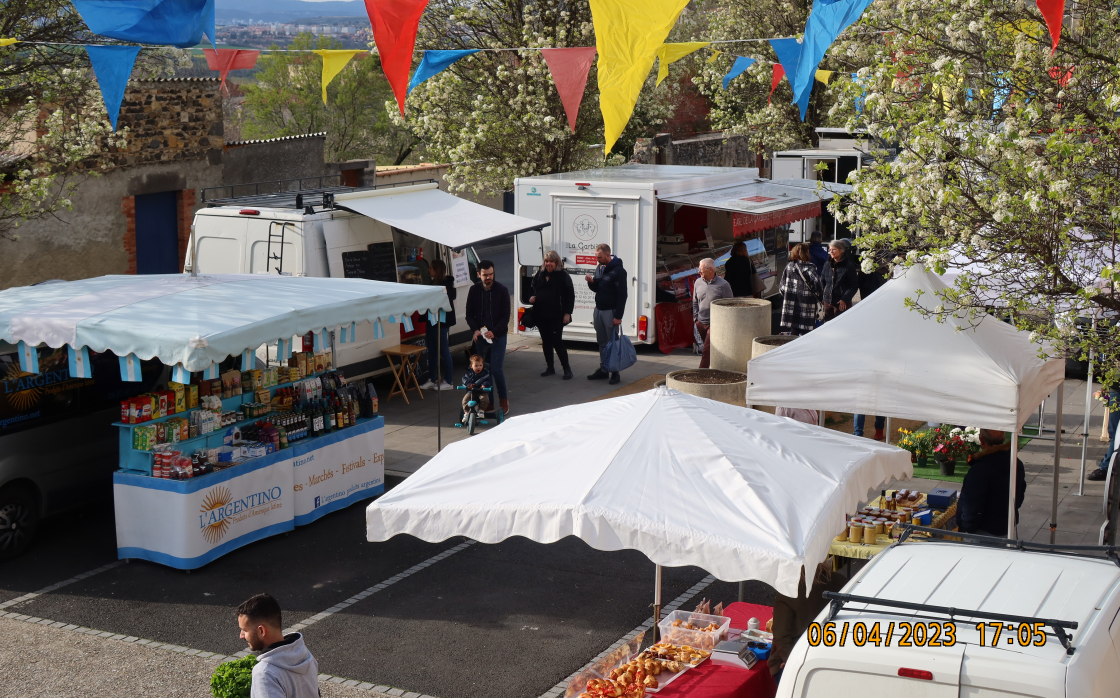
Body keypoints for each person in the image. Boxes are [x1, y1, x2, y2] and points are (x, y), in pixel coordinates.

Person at [768, 560, 846, 684]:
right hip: (832, 652)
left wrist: (792, 661)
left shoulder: (789, 591)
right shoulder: (840, 580)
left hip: (799, 655)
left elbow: (781, 635)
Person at [236, 593, 319, 698]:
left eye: (245, 630)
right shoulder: (304, 654)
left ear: (261, 630)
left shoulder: (265, 673)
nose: (241, 635)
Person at [958, 429, 1027, 537]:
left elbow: (971, 504)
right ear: (1004, 438)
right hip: (1007, 526)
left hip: (983, 532)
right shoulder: (1016, 463)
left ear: (981, 440)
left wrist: (967, 527)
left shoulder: (980, 469)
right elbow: (1020, 494)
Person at [465, 259, 510, 415]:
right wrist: (475, 330)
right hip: (480, 338)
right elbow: (469, 315)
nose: (489, 278)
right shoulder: (474, 290)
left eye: (491, 274)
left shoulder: (502, 290)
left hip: (498, 336)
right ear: (479, 274)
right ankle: (488, 401)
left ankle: (503, 400)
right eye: (485, 275)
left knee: (496, 369)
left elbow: (505, 317)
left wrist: (495, 331)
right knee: (484, 371)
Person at [584, 243, 628, 385]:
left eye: (600, 257)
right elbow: (597, 287)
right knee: (602, 342)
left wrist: (618, 316)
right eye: (597, 257)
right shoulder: (600, 268)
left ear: (608, 255)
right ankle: (604, 369)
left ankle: (615, 372)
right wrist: (591, 282)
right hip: (599, 310)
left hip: (610, 311)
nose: (597, 260)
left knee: (612, 343)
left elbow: (622, 295)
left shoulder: (619, 271)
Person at [530, 250, 575, 380]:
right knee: (546, 341)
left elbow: (570, 296)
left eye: (551, 261)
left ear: (557, 263)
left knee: (557, 341)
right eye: (546, 261)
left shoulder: (563, 276)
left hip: (557, 315)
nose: (548, 264)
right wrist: (531, 297)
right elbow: (531, 289)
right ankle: (550, 367)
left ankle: (567, 369)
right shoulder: (540, 274)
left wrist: (567, 313)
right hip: (541, 314)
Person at [419, 259, 455, 391]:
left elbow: (445, 303)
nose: (428, 270)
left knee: (444, 351)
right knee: (432, 351)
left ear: (437, 270)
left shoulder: (446, 285)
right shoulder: (433, 283)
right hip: (431, 321)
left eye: (431, 268)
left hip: (442, 321)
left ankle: (449, 381)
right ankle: (432, 378)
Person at [691, 258, 734, 368]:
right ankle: (717, 370)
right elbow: (695, 302)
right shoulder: (697, 282)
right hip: (701, 322)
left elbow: (730, 306)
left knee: (706, 351)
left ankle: (701, 375)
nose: (699, 272)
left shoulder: (723, 285)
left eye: (701, 269)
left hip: (715, 325)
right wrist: (696, 320)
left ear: (710, 270)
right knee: (711, 350)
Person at [777, 243, 823, 335]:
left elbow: (782, 287)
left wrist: (788, 295)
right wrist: (819, 298)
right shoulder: (810, 267)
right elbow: (818, 286)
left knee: (794, 331)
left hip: (791, 304)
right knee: (806, 332)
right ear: (806, 253)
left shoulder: (789, 266)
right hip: (807, 304)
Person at [820, 239, 858, 322]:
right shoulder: (827, 264)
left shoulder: (849, 266)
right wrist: (823, 297)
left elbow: (853, 286)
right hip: (827, 303)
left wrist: (844, 299)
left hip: (841, 303)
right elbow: (822, 281)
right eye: (830, 249)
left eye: (834, 249)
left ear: (841, 251)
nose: (831, 252)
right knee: (827, 328)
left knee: (842, 326)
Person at [1088, 387, 1119, 481]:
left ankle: (1106, 467)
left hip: (1117, 390)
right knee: (1115, 433)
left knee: (1116, 433)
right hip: (1116, 390)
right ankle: (1108, 463)